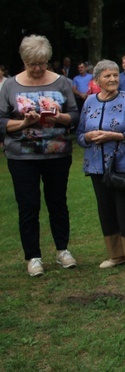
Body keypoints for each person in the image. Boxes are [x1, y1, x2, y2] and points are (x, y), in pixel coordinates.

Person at [0, 35, 79, 276]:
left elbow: (75, 115)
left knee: (58, 203)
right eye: (32, 64)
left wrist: (59, 118)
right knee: (28, 205)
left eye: (42, 64)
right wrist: (24, 122)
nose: (37, 69)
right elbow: (1, 121)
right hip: (21, 157)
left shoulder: (62, 83)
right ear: (23, 61)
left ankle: (62, 250)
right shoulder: (10, 85)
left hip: (57, 155)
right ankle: (33, 256)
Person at [77, 60, 125, 271]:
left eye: (115, 75)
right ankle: (116, 255)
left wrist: (114, 135)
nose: (113, 79)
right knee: (105, 210)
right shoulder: (89, 102)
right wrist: (87, 137)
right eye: (107, 76)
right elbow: (79, 135)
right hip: (96, 166)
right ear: (96, 80)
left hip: (123, 165)